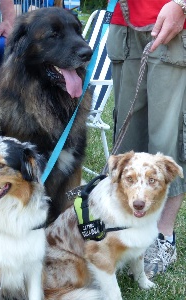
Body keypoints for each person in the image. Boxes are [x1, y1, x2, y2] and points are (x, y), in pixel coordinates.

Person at [107, 0, 186, 278]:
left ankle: (163, 237)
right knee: (126, 137)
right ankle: (122, 231)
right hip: (125, 25)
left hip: (175, 24)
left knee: (167, 141)